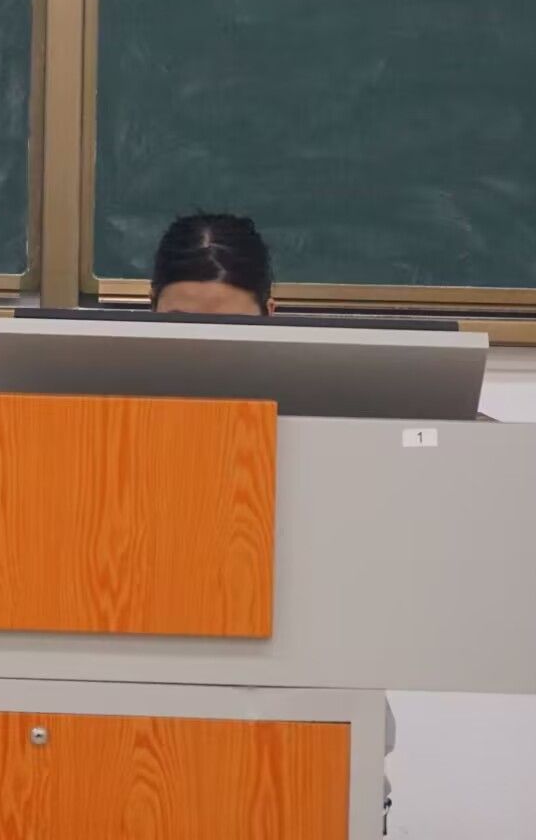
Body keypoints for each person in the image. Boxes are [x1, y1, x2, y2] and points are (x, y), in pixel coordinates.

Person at [149, 211, 394, 833]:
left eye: (228, 326)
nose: (203, 348)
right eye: (179, 325)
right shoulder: (104, 420)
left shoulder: (330, 418)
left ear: (270, 314)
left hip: (308, 736)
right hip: (153, 746)